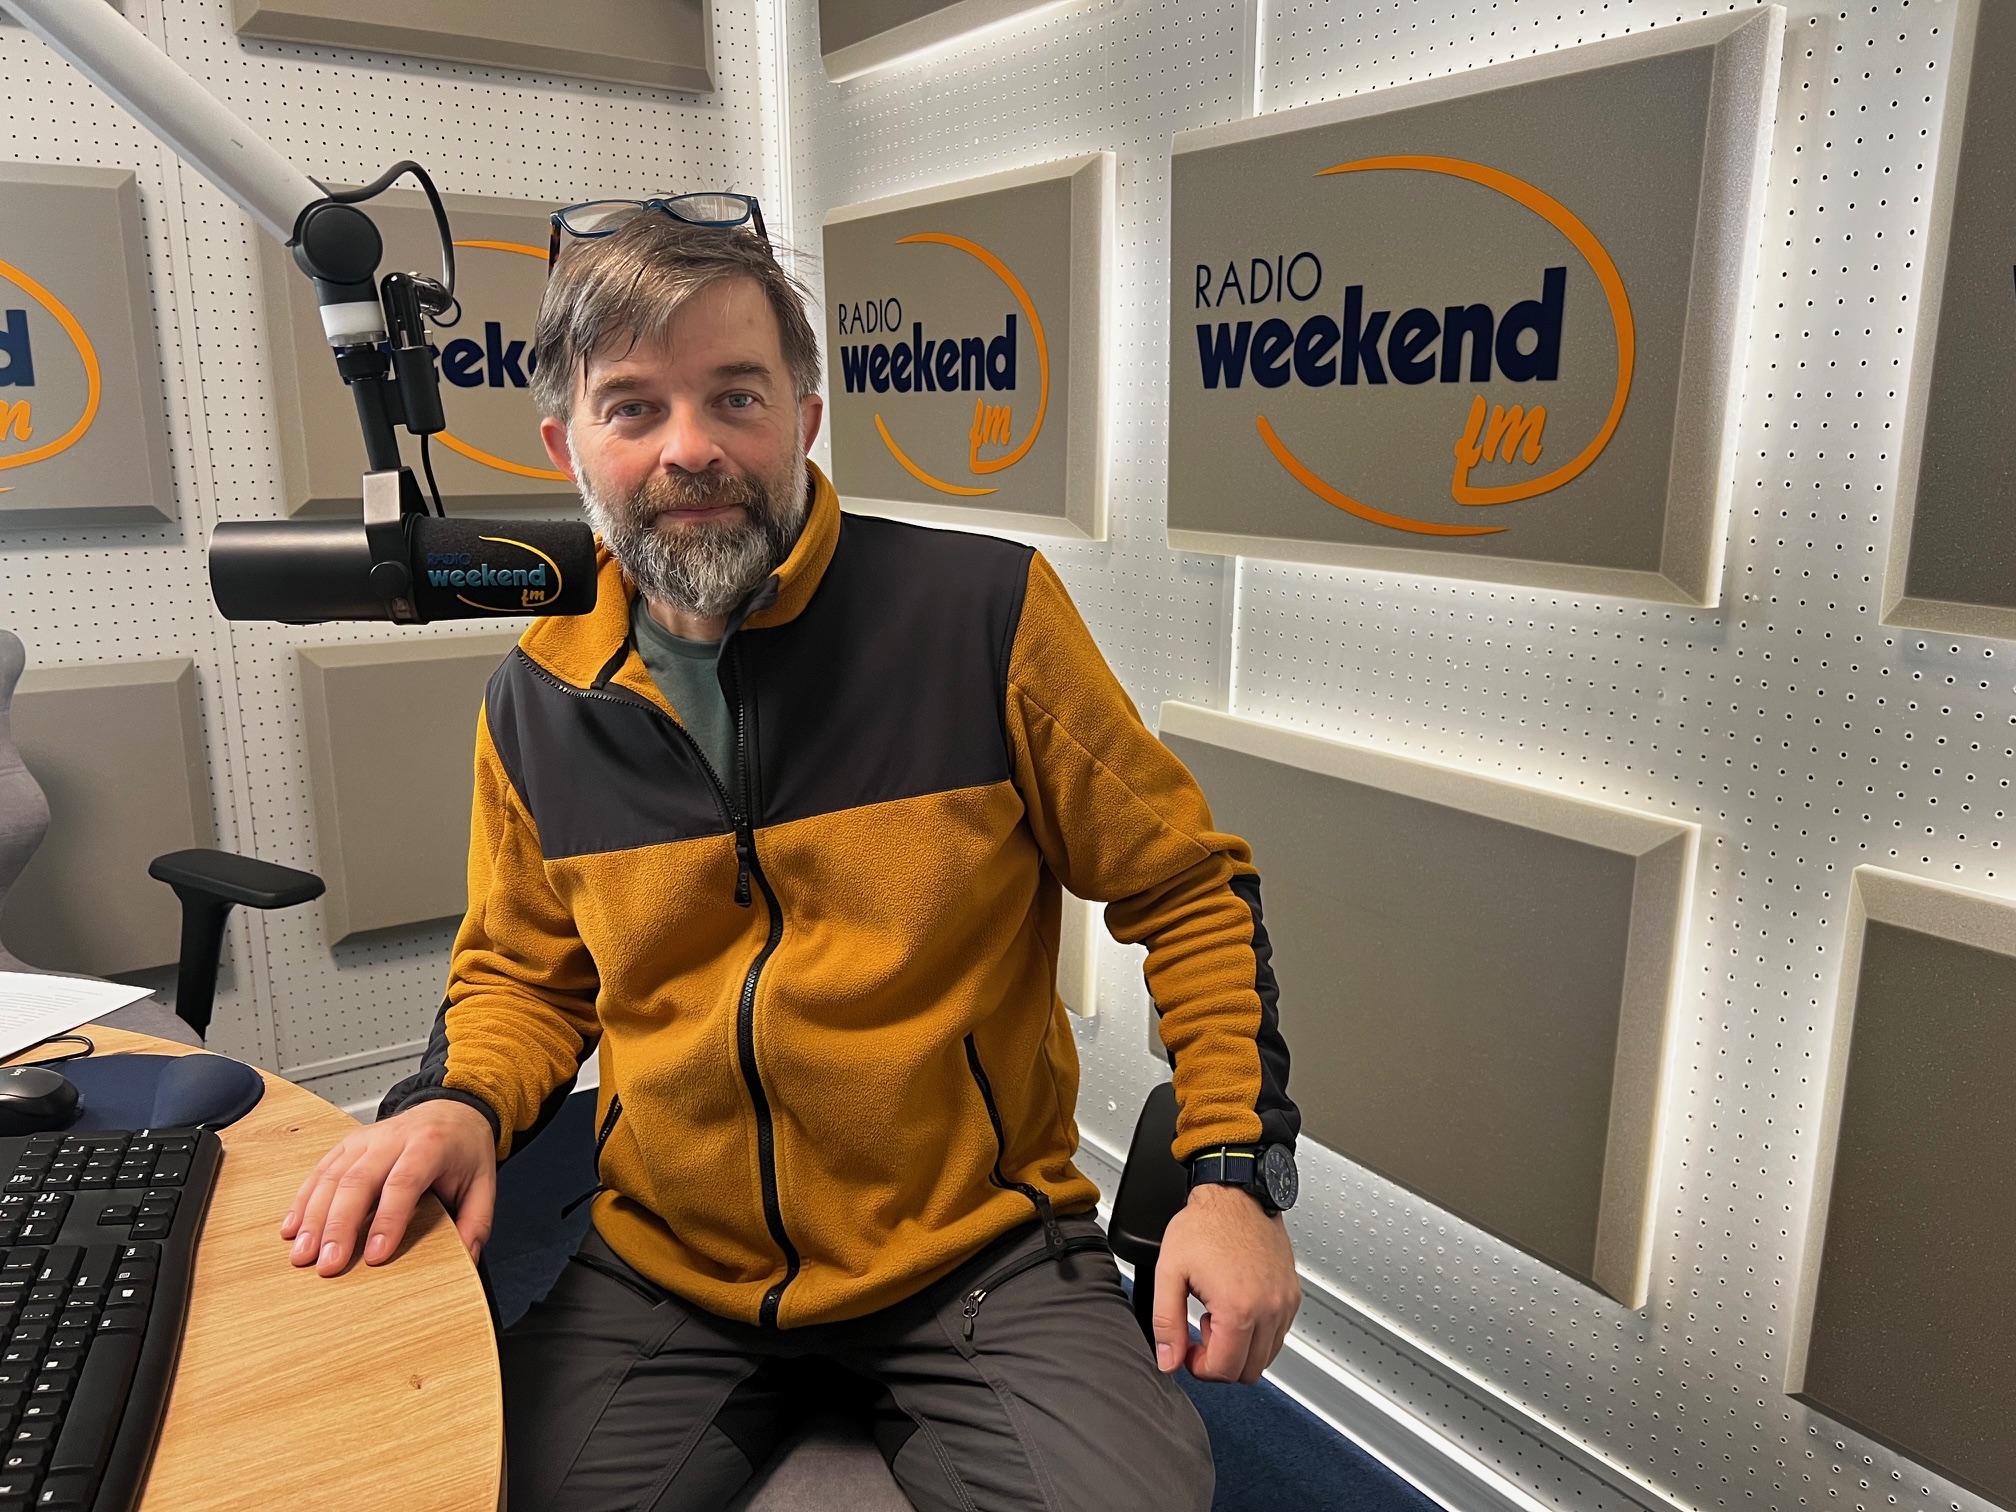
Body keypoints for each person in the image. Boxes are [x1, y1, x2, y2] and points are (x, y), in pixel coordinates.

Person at [278, 201, 1302, 1512]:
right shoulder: (538, 697)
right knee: (470, 1490)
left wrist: (1231, 1176)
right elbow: (522, 978)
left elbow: (1187, 888)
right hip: (668, 1266)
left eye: (735, 396)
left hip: (976, 1251)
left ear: (806, 418)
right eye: (633, 407)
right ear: (567, 445)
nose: (689, 447)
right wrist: (456, 1103)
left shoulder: (983, 617)